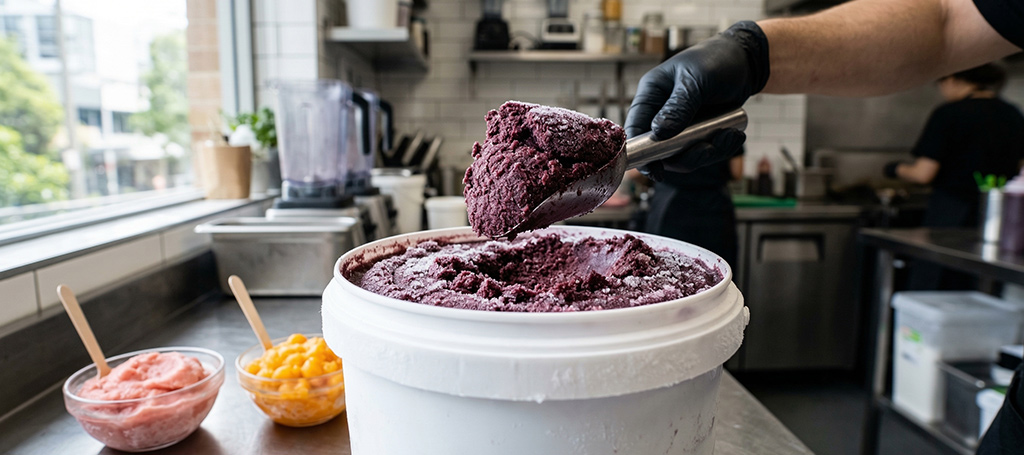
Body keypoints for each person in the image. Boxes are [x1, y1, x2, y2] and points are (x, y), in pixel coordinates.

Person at [622, 0, 1023, 452]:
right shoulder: (1012, 113)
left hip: (676, 208)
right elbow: (948, 21)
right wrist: (754, 52)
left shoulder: (951, 116)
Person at [886, 64, 1024, 290]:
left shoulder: (949, 113)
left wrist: (894, 169)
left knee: (936, 279)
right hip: (997, 217)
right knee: (981, 282)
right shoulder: (1012, 113)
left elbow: (923, 173)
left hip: (951, 212)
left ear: (952, 78)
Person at [634, 155, 744, 269]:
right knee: (718, 270)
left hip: (671, 206)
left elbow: (634, 173)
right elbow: (737, 172)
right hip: (715, 208)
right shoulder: (725, 141)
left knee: (664, 270)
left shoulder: (658, 141)